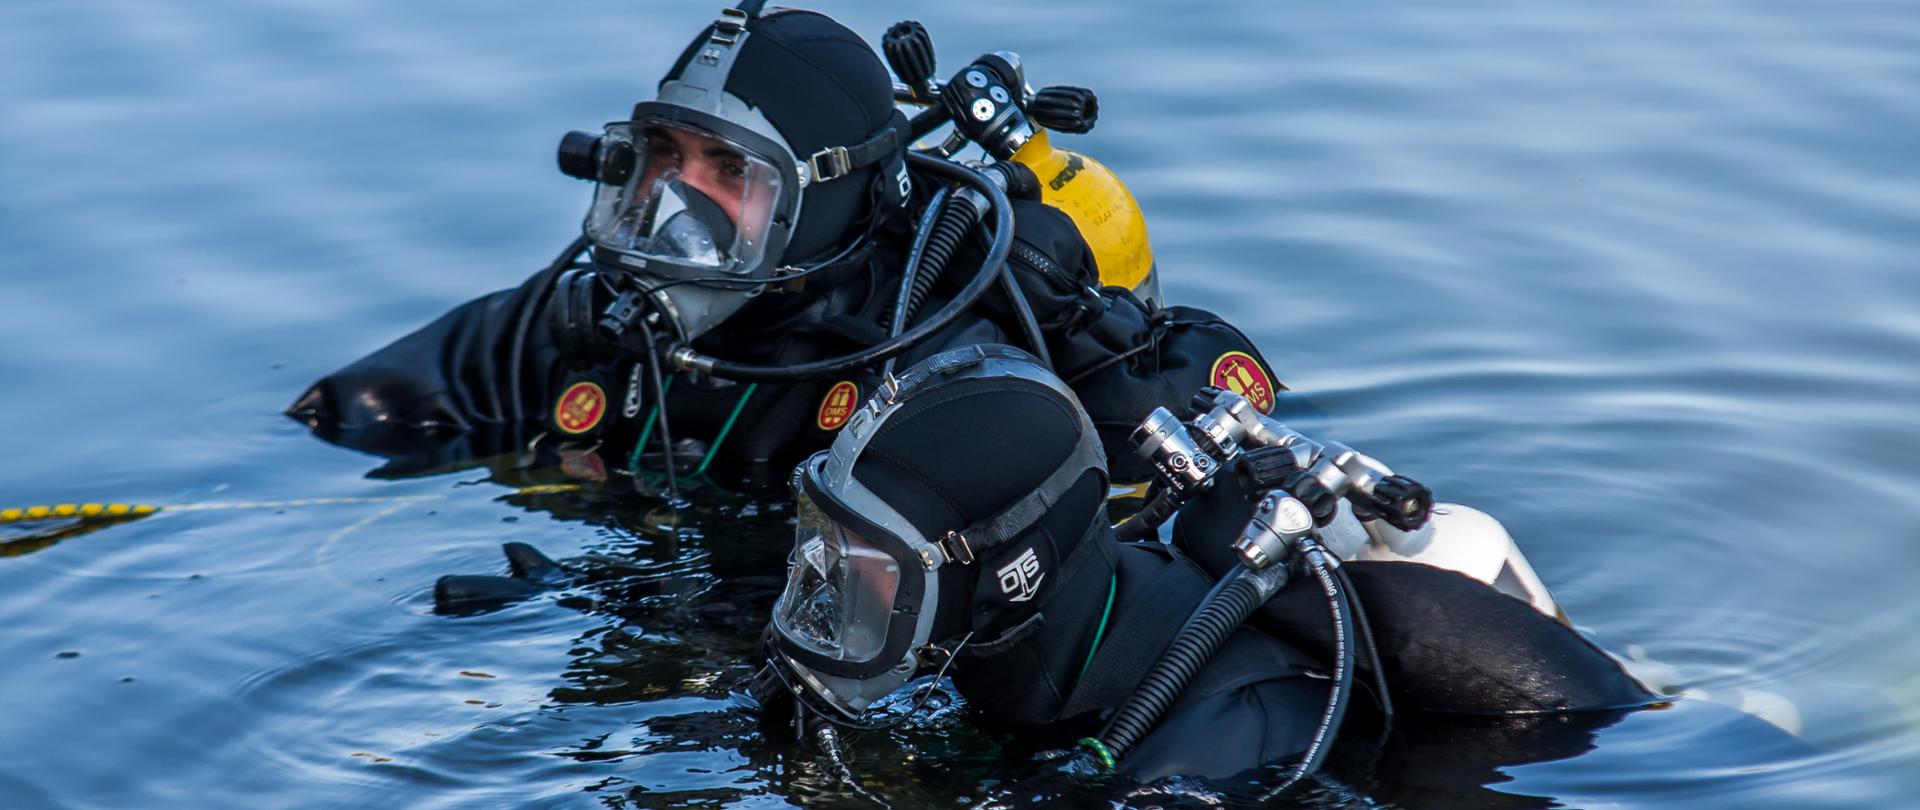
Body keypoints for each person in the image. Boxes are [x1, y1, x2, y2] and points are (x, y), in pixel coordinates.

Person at [287, 4, 1278, 494]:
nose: (678, 200)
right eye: (661, 159)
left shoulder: (928, 347)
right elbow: (354, 412)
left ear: (825, 193)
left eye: (729, 170)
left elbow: (1207, 432)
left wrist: (1086, 342)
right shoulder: (599, 320)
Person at [750, 343, 1676, 790]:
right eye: (825, 543)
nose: (829, 590)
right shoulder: (1002, 656)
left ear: (1009, 577)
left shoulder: (1209, 754)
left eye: (869, 565)